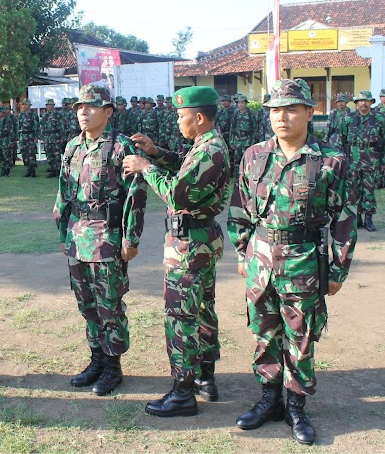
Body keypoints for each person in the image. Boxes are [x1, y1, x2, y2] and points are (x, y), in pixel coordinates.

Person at [227, 79, 357, 445]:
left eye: (291, 109)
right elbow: (240, 209)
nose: (281, 117)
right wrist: (242, 252)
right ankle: (269, 400)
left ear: (309, 113)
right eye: (274, 110)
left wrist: (338, 268)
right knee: (264, 333)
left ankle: (296, 406)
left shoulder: (330, 160)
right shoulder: (254, 155)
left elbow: (344, 219)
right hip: (260, 260)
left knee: (300, 336)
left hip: (303, 261)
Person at [123, 86, 230, 417]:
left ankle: (183, 393)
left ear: (198, 118)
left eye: (182, 116)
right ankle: (205, 379)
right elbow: (186, 169)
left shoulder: (209, 150)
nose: (178, 122)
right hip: (200, 241)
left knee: (181, 318)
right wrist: (156, 152)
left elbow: (178, 194)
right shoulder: (205, 146)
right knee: (202, 311)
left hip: (188, 246)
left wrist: (145, 166)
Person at [54, 84, 148, 396]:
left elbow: (135, 196)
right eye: (80, 107)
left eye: (91, 106)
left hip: (107, 237)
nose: (84, 112)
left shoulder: (121, 148)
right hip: (77, 236)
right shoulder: (72, 148)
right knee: (87, 304)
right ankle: (96, 359)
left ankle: (112, 366)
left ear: (107, 112)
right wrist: (63, 232)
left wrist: (130, 239)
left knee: (109, 304)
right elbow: (63, 193)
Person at [335, 90, 385, 232]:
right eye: (360, 101)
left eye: (366, 101)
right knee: (353, 191)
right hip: (354, 160)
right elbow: (342, 140)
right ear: (356, 103)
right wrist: (343, 160)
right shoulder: (349, 119)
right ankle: (356, 219)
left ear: (371, 102)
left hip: (372, 159)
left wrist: (383, 162)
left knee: (369, 190)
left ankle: (368, 218)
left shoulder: (380, 119)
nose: (363, 103)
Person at [229, 95, 257, 177]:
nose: (240, 104)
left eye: (242, 102)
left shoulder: (250, 114)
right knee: (237, 160)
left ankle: (248, 176)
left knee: (248, 159)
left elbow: (254, 129)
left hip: (247, 140)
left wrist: (253, 142)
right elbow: (232, 129)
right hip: (237, 140)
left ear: (246, 103)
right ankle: (238, 176)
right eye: (239, 103)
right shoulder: (235, 115)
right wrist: (231, 141)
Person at [39, 98, 63, 178]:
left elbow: (61, 126)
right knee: (49, 154)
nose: (48, 106)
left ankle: (58, 171)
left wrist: (61, 137)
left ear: (53, 105)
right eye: (47, 105)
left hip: (55, 136)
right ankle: (52, 170)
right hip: (47, 137)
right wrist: (42, 137)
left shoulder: (58, 114)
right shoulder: (45, 115)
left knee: (56, 154)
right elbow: (42, 126)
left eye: (49, 105)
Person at [17, 98, 40, 177]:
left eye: (26, 104)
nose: (24, 106)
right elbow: (19, 126)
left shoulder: (33, 114)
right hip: (23, 136)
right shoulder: (21, 115)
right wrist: (18, 136)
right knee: (24, 154)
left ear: (29, 105)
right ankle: (28, 169)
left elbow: (37, 126)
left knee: (31, 154)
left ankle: (33, 171)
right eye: (23, 104)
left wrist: (36, 137)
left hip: (31, 136)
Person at [0, 104, 17, 177]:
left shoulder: (8, 120)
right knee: (0, 156)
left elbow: (11, 132)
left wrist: (10, 141)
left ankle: (7, 170)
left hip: (5, 139)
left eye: (0, 112)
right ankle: (3, 170)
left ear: (3, 112)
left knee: (7, 155)